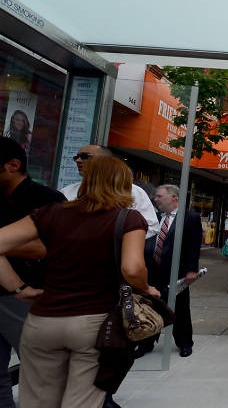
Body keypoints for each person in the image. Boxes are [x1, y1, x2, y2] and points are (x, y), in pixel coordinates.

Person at [0, 156, 159, 408]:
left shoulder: (50, 213)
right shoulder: (128, 219)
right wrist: (146, 288)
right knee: (82, 401)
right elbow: (132, 267)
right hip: (94, 322)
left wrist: (18, 287)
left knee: (38, 401)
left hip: (43, 321)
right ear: (123, 184)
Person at [0, 137, 66, 407]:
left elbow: (45, 249)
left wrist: (5, 246)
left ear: (13, 165)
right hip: (14, 292)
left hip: (27, 299)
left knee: (40, 371)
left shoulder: (47, 199)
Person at [137, 185, 202, 358]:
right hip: (152, 271)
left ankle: (185, 343)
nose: (155, 199)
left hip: (177, 272)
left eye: (159, 196)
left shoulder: (190, 218)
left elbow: (194, 246)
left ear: (174, 197)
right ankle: (146, 343)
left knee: (180, 309)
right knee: (150, 308)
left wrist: (191, 270)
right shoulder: (154, 217)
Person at [59, 145, 159, 239]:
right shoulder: (66, 191)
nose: (78, 160)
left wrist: (122, 242)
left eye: (85, 156)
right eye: (76, 157)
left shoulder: (134, 192)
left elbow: (150, 226)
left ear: (106, 161)